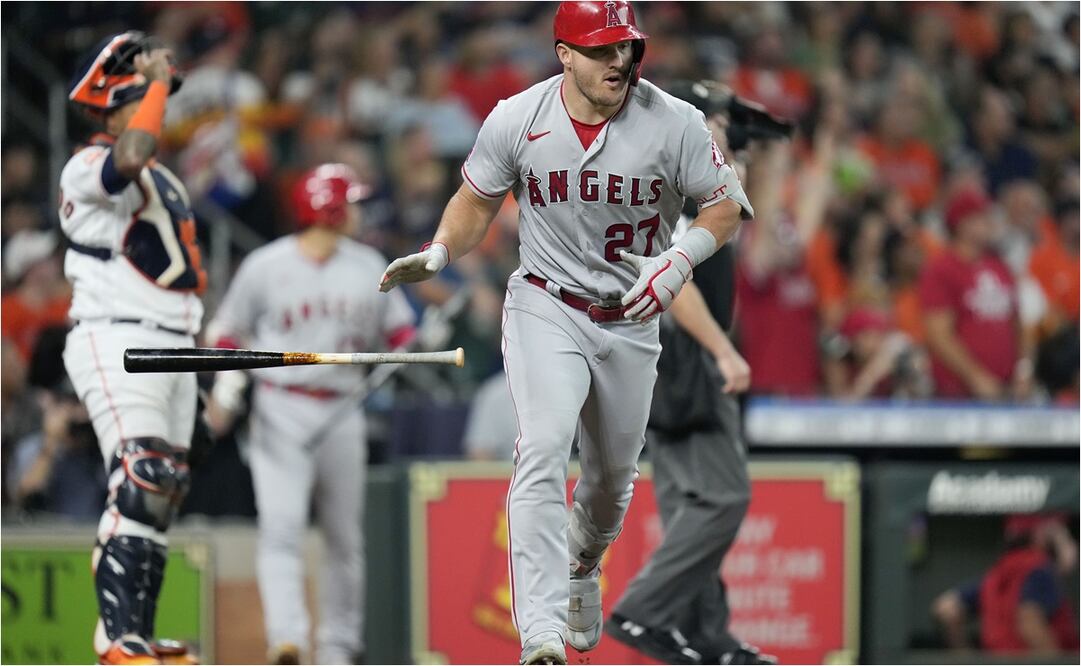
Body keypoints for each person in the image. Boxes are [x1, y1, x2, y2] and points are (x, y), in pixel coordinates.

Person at [378, 3, 753, 663]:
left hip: (631, 319)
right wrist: (439, 253)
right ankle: (541, 632)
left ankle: (583, 565)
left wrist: (679, 259)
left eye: (626, 48)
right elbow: (475, 201)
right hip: (545, 304)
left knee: (610, 485)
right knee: (544, 445)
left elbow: (724, 208)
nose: (618, 62)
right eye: (602, 49)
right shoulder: (517, 117)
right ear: (564, 54)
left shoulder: (672, 121)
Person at [205, 164, 415, 665]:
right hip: (281, 406)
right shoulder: (266, 264)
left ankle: (339, 649)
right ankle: (288, 638)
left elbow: (401, 333)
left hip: (343, 407)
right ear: (329, 208)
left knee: (345, 537)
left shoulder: (369, 265)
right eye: (351, 202)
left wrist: (412, 346)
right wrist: (232, 385)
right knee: (281, 528)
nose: (359, 212)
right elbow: (226, 334)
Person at [606, 87, 774, 666]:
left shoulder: (673, 183)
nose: (722, 134)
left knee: (688, 504)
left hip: (654, 361)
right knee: (724, 497)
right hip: (684, 358)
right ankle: (642, 612)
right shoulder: (673, 189)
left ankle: (708, 638)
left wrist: (738, 157)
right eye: (716, 125)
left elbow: (729, 208)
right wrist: (721, 352)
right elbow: (671, 284)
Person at [60, 31, 205, 665]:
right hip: (117, 337)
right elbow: (131, 154)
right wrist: (152, 89)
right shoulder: (87, 163)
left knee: (163, 490)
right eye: (144, 97)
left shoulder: (161, 173)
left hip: (173, 344)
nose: (158, 106)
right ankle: (117, 642)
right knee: (141, 477)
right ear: (118, 99)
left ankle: (136, 636)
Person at [919, 187, 1031, 400]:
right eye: (982, 217)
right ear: (962, 223)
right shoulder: (942, 269)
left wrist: (1023, 370)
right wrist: (975, 376)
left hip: (1006, 388)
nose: (990, 223)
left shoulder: (999, 266)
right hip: (956, 391)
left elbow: (1017, 324)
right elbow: (939, 335)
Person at [932, 514, 1079, 655]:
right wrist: (1056, 661)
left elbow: (946, 608)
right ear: (1040, 536)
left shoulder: (997, 573)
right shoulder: (1038, 568)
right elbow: (1029, 618)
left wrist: (967, 659)